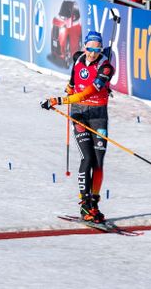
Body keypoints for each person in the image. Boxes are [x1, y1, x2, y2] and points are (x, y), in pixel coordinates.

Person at [40, 31, 116, 223]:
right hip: (79, 114)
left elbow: (87, 93)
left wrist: (58, 100)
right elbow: (73, 83)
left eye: (97, 50)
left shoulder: (106, 68)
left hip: (98, 116)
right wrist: (69, 87)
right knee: (87, 157)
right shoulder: (78, 60)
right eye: (90, 49)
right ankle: (84, 204)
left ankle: (94, 203)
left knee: (99, 162)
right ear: (84, 47)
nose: (92, 53)